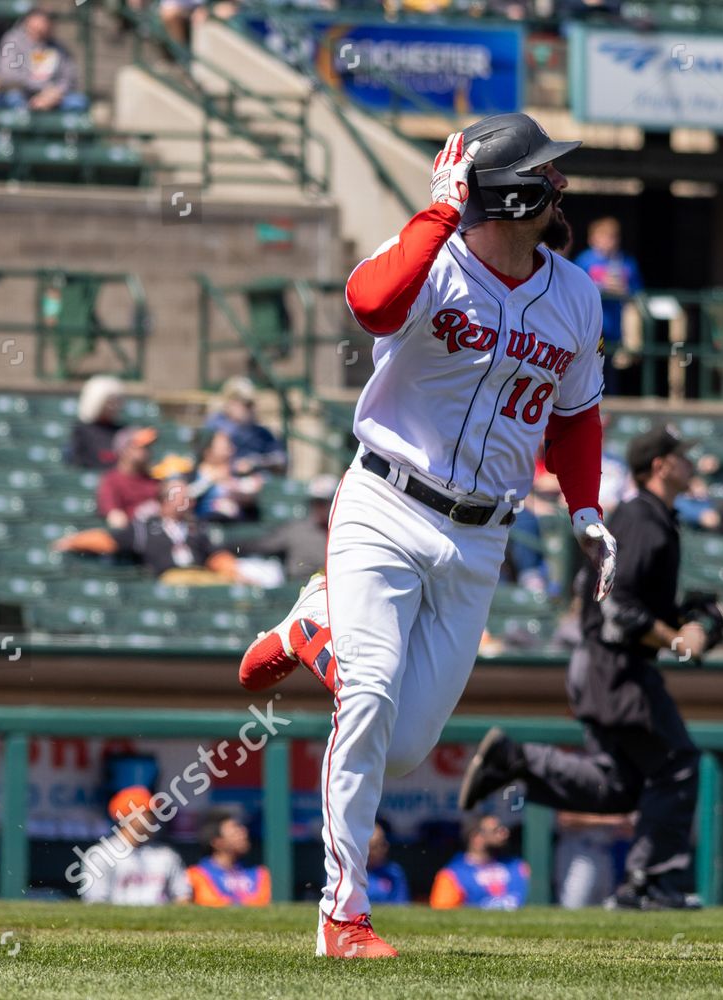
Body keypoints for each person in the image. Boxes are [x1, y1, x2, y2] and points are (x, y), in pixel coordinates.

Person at [232, 114, 610, 958]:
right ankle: (342, 915)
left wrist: (584, 505)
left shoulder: (577, 295)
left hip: (483, 537)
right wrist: (441, 208)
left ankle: (311, 628)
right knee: (366, 701)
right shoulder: (431, 259)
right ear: (509, 194)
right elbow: (369, 305)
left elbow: (577, 414)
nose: (559, 185)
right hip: (386, 504)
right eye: (543, 174)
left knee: (403, 750)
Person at [457, 427, 707, 911]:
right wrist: (677, 637)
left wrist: (693, 621)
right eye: (682, 456)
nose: (690, 464)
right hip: (614, 666)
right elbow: (617, 605)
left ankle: (517, 762)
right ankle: (651, 884)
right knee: (676, 764)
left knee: (621, 785)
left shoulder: (652, 518)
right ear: (660, 465)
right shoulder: (640, 517)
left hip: (608, 664)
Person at [56, 475, 243, 583]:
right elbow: (110, 541)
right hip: (170, 580)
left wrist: (235, 573)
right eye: (179, 495)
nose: (186, 500)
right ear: (164, 501)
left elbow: (216, 556)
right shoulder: (144, 527)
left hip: (200, 578)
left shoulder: (198, 528)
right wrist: (73, 541)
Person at [79, 786, 192, 905]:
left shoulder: (166, 855)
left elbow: (183, 897)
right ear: (127, 816)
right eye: (149, 813)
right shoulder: (101, 855)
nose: (154, 818)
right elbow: (95, 903)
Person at [572, 217, 642, 395]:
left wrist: (625, 289)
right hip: (591, 327)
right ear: (592, 239)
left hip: (617, 329)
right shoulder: (584, 260)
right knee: (589, 371)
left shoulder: (627, 262)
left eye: (612, 237)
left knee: (613, 373)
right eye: (603, 237)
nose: (608, 241)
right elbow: (574, 289)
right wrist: (600, 287)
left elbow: (638, 291)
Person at [235, 474, 334, 580]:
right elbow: (263, 545)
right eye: (315, 503)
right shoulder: (297, 530)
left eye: (324, 503)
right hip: (299, 586)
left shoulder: (344, 532)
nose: (319, 508)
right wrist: (233, 548)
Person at [428, 814, 530, 910]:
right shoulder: (452, 874)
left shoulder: (518, 866)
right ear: (476, 838)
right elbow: (442, 914)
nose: (505, 833)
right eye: (496, 830)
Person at [0, 9, 86, 111]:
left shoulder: (58, 48)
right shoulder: (12, 41)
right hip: (22, 93)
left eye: (43, 30)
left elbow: (69, 77)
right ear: (27, 24)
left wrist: (55, 92)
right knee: (14, 99)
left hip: (52, 95)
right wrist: (41, 89)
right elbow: (7, 75)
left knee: (78, 102)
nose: (39, 32)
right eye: (35, 29)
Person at [186, 808, 270, 907]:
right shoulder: (196, 874)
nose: (244, 833)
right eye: (235, 831)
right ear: (217, 842)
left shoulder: (259, 872)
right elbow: (209, 903)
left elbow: (263, 903)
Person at [204, 377, 288, 475]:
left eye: (251, 404)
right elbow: (206, 460)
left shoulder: (261, 433)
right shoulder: (215, 427)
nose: (251, 409)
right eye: (246, 404)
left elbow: (280, 459)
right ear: (230, 403)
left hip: (256, 482)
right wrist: (235, 466)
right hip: (223, 482)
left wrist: (255, 462)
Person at [553, 811, 629, 908]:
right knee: (573, 904)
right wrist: (608, 819)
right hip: (580, 850)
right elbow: (565, 819)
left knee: (603, 906)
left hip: (606, 851)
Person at [191, 429, 264, 522]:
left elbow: (251, 495)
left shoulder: (239, 474)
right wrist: (210, 480)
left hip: (238, 528)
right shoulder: (192, 475)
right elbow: (186, 496)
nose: (231, 450)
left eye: (230, 445)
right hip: (207, 526)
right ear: (207, 451)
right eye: (225, 446)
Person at [95, 425, 160, 529]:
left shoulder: (154, 480)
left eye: (148, 447)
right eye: (141, 447)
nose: (146, 451)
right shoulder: (111, 480)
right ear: (124, 450)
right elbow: (115, 518)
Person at [68, 375, 127, 469]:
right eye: (110, 402)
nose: (114, 407)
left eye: (117, 402)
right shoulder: (82, 431)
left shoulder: (122, 431)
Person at [365, 818, 410, 905]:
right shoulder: (349, 873)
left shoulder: (394, 873)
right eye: (377, 846)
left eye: (384, 843)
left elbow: (401, 906)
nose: (384, 848)